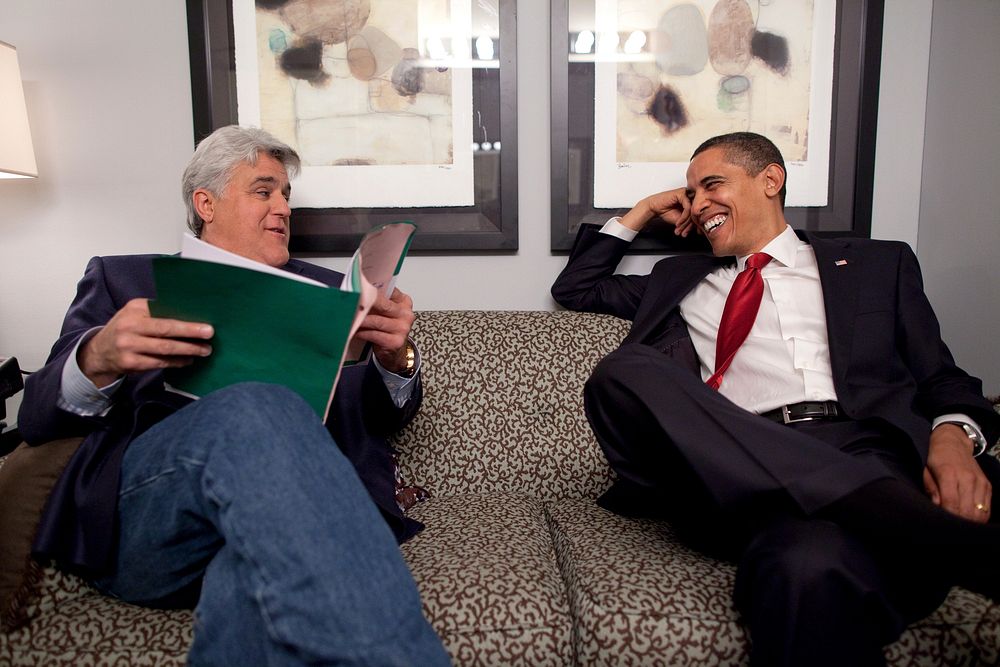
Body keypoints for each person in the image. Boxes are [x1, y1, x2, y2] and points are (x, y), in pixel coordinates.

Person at [552, 131, 1000, 666]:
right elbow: (576, 288)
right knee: (622, 372)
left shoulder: (879, 264)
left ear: (771, 179)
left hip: (864, 449)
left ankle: (894, 521)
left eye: (712, 185)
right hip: (735, 468)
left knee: (803, 568)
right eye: (690, 194)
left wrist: (952, 438)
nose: (697, 204)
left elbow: (943, 378)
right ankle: (950, 543)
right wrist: (645, 208)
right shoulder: (678, 278)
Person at [18, 125, 450, 666]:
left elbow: (385, 413)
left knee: (249, 576)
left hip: (283, 518)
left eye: (287, 195)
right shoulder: (123, 280)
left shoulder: (327, 293)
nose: (283, 208)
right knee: (256, 405)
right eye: (264, 191)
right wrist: (97, 356)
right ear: (206, 203)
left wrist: (395, 358)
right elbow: (34, 414)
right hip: (153, 518)